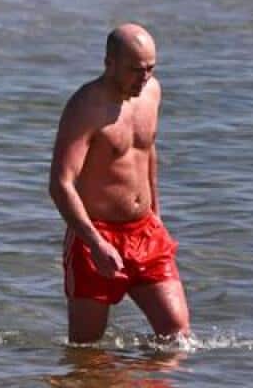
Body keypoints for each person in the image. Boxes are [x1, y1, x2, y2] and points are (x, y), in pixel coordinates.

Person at [49, 24, 190, 344]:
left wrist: (157, 214)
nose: (144, 78)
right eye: (135, 70)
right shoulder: (86, 107)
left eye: (150, 69)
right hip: (95, 236)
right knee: (87, 353)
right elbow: (61, 184)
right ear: (109, 63)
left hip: (145, 232)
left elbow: (147, 150)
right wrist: (95, 243)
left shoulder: (152, 92)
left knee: (177, 340)